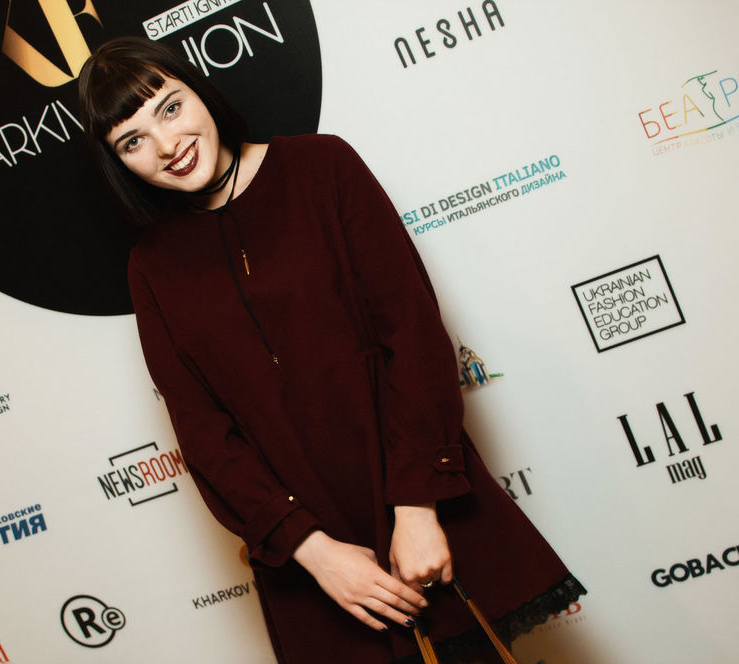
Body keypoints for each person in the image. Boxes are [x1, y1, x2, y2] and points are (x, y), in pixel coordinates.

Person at [77, 37, 585, 664]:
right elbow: (203, 433)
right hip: (307, 561)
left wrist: (417, 507)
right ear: (118, 163)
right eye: (132, 141)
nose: (166, 144)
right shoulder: (151, 266)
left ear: (200, 93)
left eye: (170, 108)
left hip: (414, 499)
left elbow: (413, 334)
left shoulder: (322, 168)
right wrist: (314, 553)